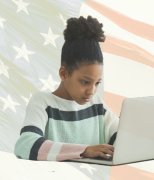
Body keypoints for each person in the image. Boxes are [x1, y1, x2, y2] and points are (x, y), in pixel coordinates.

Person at [14, 15, 119, 162]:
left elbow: (124, 138)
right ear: (63, 73)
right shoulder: (43, 103)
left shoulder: (97, 106)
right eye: (84, 82)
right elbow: (25, 145)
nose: (91, 91)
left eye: (97, 83)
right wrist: (84, 151)